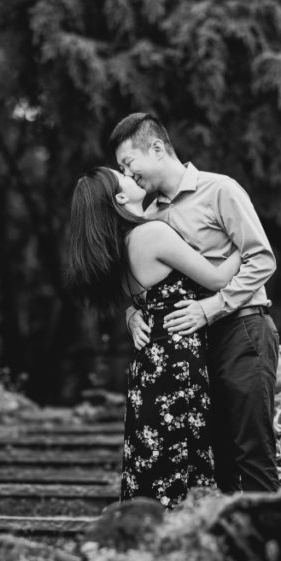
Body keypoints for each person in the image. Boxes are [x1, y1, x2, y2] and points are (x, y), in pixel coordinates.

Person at [110, 112, 281, 493]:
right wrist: (133, 312)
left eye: (128, 163)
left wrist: (211, 307)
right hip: (194, 348)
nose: (127, 173)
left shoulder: (220, 189)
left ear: (156, 148)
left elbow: (262, 258)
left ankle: (270, 549)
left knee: (251, 453)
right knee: (215, 459)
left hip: (242, 330)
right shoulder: (149, 214)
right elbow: (154, 279)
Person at [64, 167, 243, 508]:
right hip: (177, 362)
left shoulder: (115, 248)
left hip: (148, 366)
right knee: (184, 464)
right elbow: (219, 278)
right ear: (120, 197)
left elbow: (140, 299)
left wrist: (132, 315)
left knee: (152, 466)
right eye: (123, 175)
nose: (132, 174)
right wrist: (244, 242)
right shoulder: (152, 235)